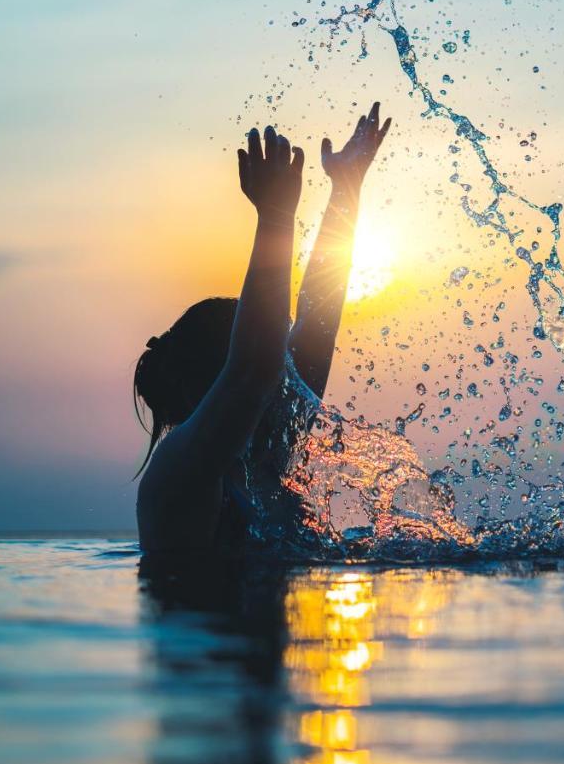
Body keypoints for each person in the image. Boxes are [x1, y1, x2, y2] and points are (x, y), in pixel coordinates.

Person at [132, 102, 391, 556]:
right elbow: (255, 368)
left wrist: (346, 190)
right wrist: (274, 217)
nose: (289, 371)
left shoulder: (266, 453)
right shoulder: (181, 468)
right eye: (279, 359)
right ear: (220, 375)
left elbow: (316, 320)